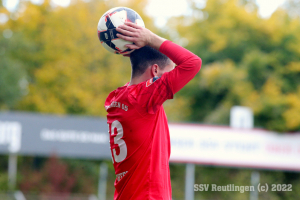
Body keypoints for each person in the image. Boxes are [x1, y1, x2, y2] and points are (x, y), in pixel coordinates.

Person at [105, 22, 202, 200]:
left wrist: (136, 50)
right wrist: (150, 38)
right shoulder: (143, 98)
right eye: (170, 72)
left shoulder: (117, 98)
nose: (174, 79)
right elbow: (193, 63)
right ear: (155, 71)